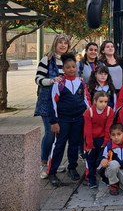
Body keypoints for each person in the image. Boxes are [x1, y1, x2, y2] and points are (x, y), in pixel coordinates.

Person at [47, 53, 90, 187]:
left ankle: (72, 167)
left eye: (73, 67)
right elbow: (52, 103)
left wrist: (89, 113)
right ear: (63, 68)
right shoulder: (59, 83)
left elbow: (85, 100)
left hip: (78, 119)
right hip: (63, 120)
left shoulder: (81, 82)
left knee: (74, 144)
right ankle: (52, 172)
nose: (71, 69)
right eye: (68, 67)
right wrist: (54, 122)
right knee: (59, 145)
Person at [35, 33, 70, 179]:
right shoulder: (47, 59)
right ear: (55, 44)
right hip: (47, 102)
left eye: (65, 43)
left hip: (63, 103)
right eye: (60, 42)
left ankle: (53, 161)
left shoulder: (68, 60)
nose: (63, 45)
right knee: (49, 133)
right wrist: (51, 81)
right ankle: (43, 163)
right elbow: (38, 79)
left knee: (59, 133)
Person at [83, 91, 114, 189]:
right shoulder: (89, 112)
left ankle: (103, 176)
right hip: (90, 139)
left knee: (102, 159)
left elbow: (108, 127)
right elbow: (87, 129)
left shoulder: (109, 111)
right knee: (90, 160)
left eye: (105, 101)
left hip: (102, 138)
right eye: (101, 101)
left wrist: (106, 141)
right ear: (95, 101)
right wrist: (89, 144)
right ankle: (91, 179)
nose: (103, 104)